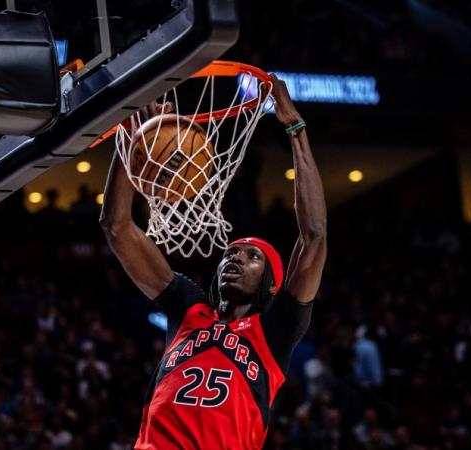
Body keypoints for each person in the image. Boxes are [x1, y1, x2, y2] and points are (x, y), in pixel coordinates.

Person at [99, 75, 327, 450]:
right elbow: (118, 227)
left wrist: (295, 128)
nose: (236, 258)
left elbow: (314, 235)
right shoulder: (189, 308)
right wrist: (132, 140)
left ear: (271, 284)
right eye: (230, 253)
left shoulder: (275, 329)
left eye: (252, 256)